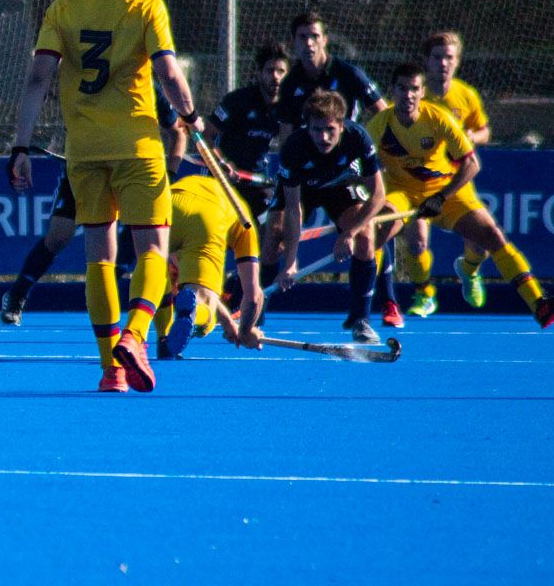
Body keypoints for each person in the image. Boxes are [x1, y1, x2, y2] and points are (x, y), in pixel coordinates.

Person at [10, 0, 200, 393]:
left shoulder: (63, 8)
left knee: (100, 258)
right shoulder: (146, 5)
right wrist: (192, 117)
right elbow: (169, 76)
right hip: (137, 148)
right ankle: (135, 336)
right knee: (153, 250)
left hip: (85, 151)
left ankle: (110, 370)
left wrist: (21, 145)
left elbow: (37, 80)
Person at [368, 63, 554, 329]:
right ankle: (364, 309)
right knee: (377, 233)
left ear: (421, 92)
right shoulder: (379, 125)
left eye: (414, 89)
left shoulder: (439, 118)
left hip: (445, 193)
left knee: (493, 237)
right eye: (402, 88)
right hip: (401, 192)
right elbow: (362, 164)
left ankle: (539, 305)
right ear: (392, 91)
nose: (408, 95)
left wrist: (441, 197)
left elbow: (471, 164)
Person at [0, 84, 184, 326]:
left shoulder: (147, 84)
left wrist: (169, 176)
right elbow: (42, 87)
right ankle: (18, 294)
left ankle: (145, 329)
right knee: (60, 235)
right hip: (86, 167)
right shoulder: (85, 73)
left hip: (133, 169)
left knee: (144, 244)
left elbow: (178, 133)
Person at [392, 30, 491, 319]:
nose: (443, 63)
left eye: (449, 57)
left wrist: (473, 135)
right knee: (417, 240)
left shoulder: (466, 96)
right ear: (426, 61)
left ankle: (469, 269)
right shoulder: (413, 94)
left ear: (457, 61)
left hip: (455, 181)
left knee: (481, 239)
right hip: (419, 180)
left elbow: (484, 130)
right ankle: (424, 294)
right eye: (437, 57)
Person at [275, 89, 387, 345]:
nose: (323, 137)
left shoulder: (358, 137)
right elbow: (293, 207)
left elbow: (378, 195)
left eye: (330, 130)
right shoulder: (294, 147)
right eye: (316, 130)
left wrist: (349, 232)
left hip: (338, 186)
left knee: (366, 238)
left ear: (342, 124)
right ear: (307, 127)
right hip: (305, 190)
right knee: (273, 239)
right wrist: (291, 262)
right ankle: (254, 315)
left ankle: (361, 320)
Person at [209, 42, 290, 314]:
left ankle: (254, 303)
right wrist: (222, 164)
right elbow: (205, 137)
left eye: (281, 71)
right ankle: (209, 298)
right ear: (259, 73)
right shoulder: (237, 101)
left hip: (257, 183)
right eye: (270, 70)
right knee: (214, 243)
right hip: (222, 182)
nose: (275, 77)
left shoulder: (287, 109)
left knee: (274, 237)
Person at [155, 172, 264, 361]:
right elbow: (254, 296)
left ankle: (164, 340)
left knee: (164, 281)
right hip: (205, 219)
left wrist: (230, 324)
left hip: (166, 204)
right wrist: (246, 331)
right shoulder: (244, 224)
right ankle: (197, 318)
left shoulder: (206, 186)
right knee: (204, 310)